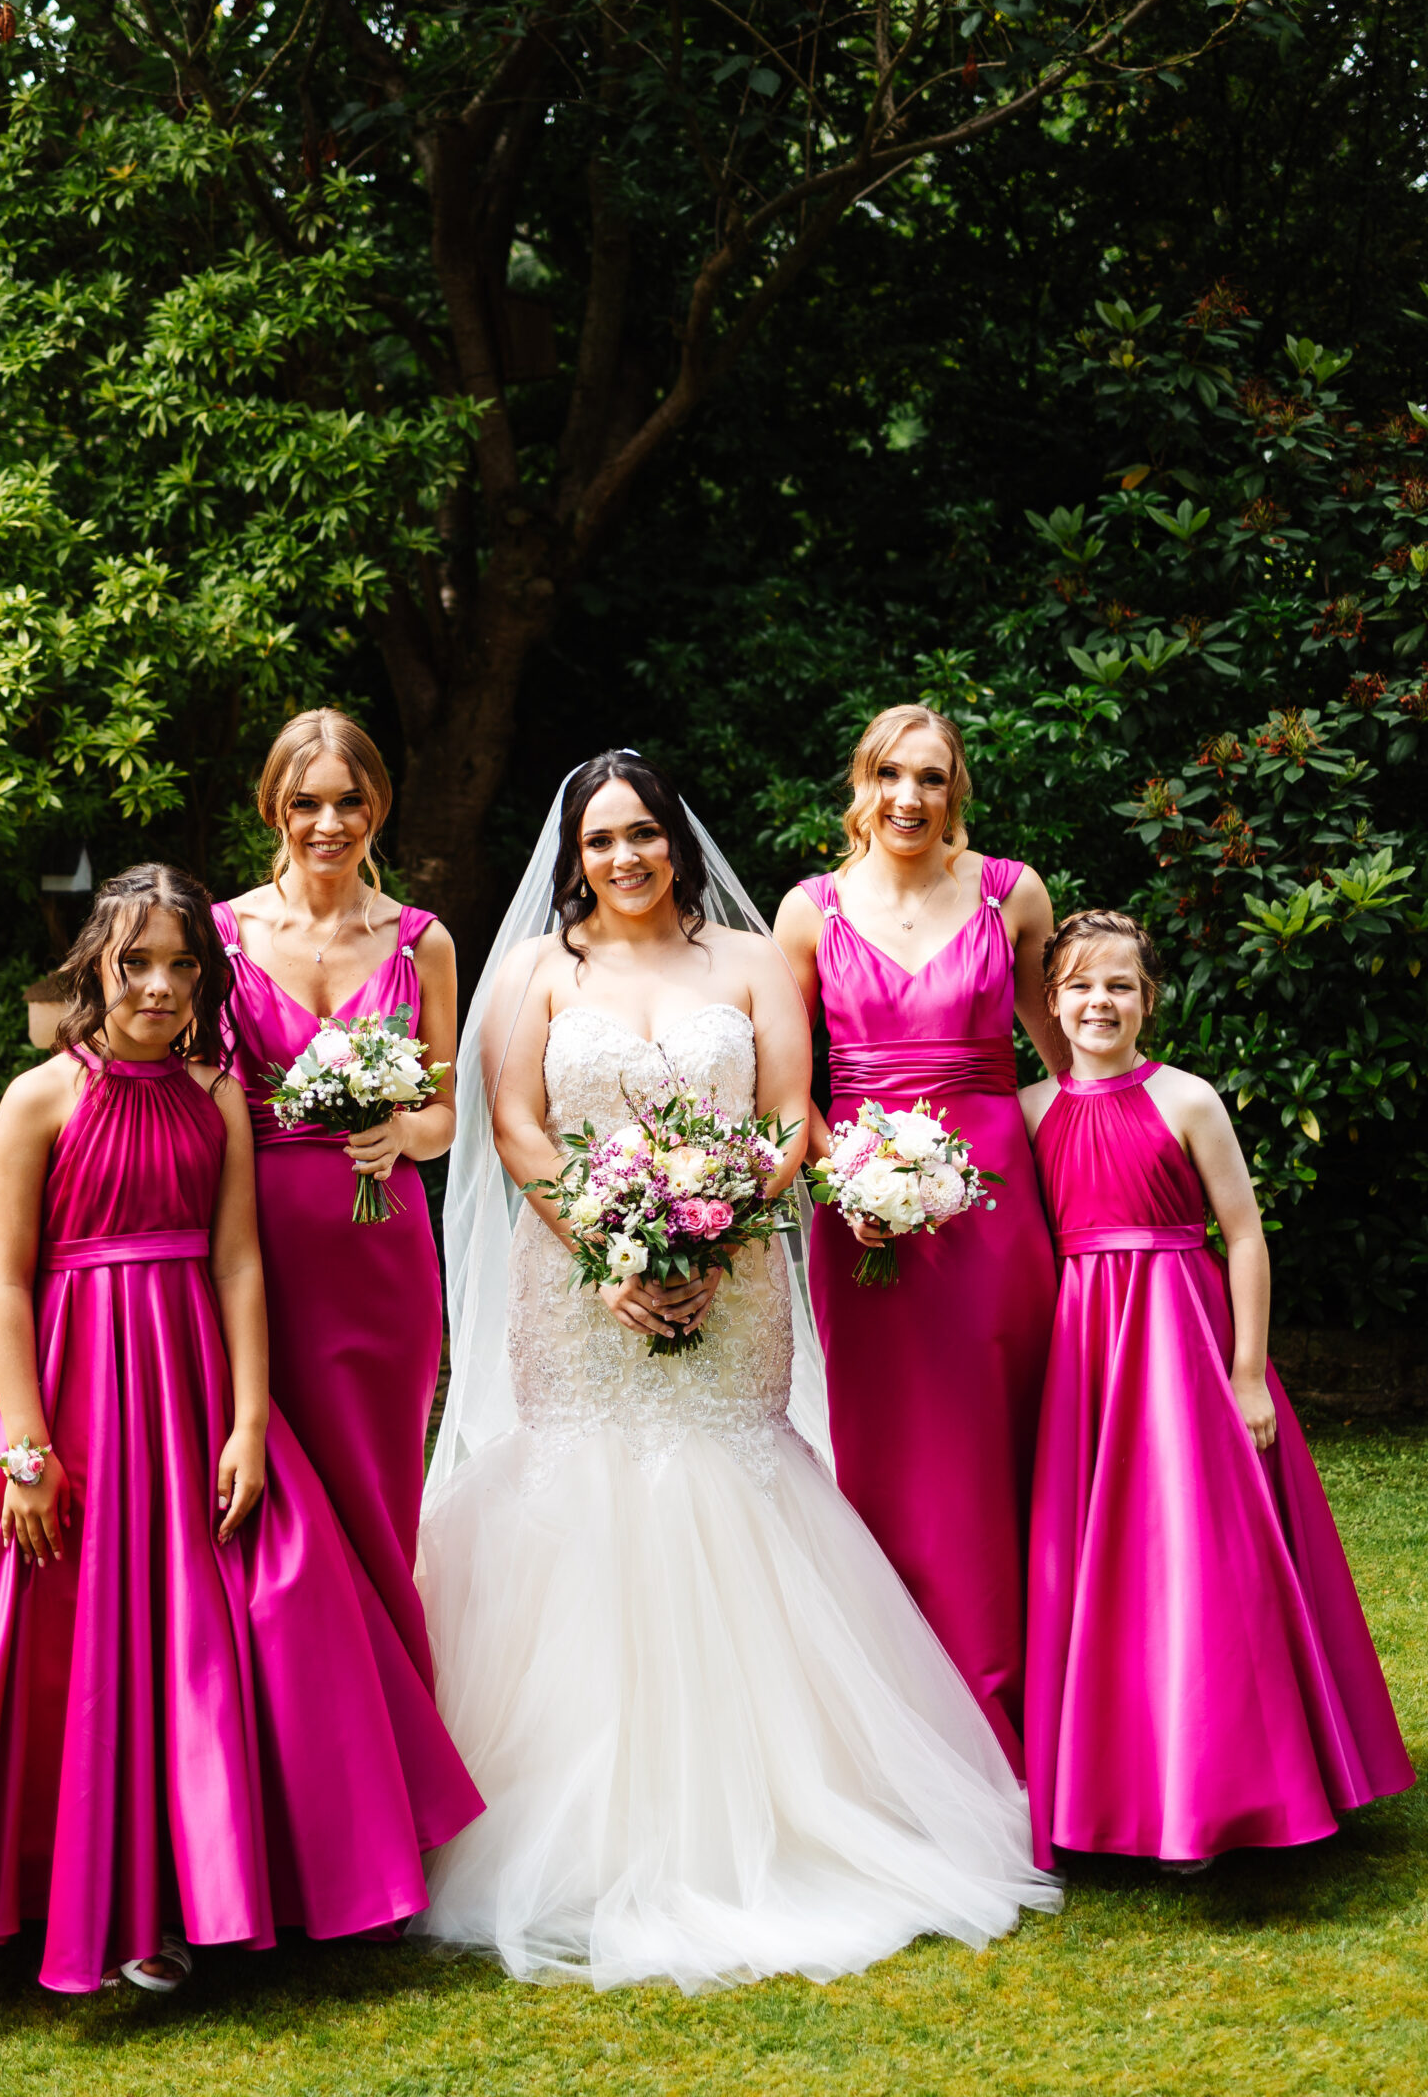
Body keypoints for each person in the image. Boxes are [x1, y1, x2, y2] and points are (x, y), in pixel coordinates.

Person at [412, 751, 1061, 1991]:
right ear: (575, 858)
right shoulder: (539, 973)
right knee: (588, 1499)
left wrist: (713, 1236)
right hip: (579, 1287)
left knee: (733, 1489)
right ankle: (579, 1825)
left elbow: (783, 1112)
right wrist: (610, 1252)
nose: (625, 860)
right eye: (601, 842)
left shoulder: (752, 960)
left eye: (643, 835)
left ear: (677, 842)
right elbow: (517, 1128)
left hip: (737, 1271)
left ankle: (786, 1812)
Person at [0, 864, 481, 1994]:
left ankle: (224, 1886)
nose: (161, 985)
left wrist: (254, 1417)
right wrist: (25, 1446)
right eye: (137, 962)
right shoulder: (38, 1098)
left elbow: (238, 1259)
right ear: (96, 968)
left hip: (189, 1383)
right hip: (71, 1386)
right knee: (68, 1643)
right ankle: (56, 1892)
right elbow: (5, 1283)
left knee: (219, 1636)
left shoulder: (217, 1092)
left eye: (181, 964)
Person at [1021, 909, 1414, 1870]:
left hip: (1182, 1339)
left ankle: (1227, 1784)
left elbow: (1242, 1233)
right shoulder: (1029, 1111)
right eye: (1078, 985)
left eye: (1118, 985)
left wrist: (1246, 1372)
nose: (1098, 1002)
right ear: (1052, 1003)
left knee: (1198, 1554)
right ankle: (1114, 1788)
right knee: (1100, 1569)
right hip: (1086, 1352)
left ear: (1148, 999)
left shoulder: (1187, 1098)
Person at [774, 705, 1065, 1771]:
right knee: (892, 1457)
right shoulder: (808, 913)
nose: (910, 797)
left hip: (995, 1213)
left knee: (1007, 1446)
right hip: (868, 1231)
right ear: (862, 782)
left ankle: (1036, 1720)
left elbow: (1057, 1046)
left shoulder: (1012, 893)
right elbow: (785, 1087)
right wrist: (834, 1177)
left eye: (932, 778)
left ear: (959, 790)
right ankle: (911, 1729)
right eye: (891, 774)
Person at [214, 708, 457, 1689]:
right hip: (256, 1251)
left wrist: (403, 1133)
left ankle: (397, 1759)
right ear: (273, 807)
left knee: (377, 1505)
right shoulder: (222, 937)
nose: (328, 822)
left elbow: (446, 1115)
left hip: (382, 1260)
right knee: (269, 1510)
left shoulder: (420, 941)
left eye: (350, 801)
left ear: (377, 808)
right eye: (306, 802)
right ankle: (289, 1737)